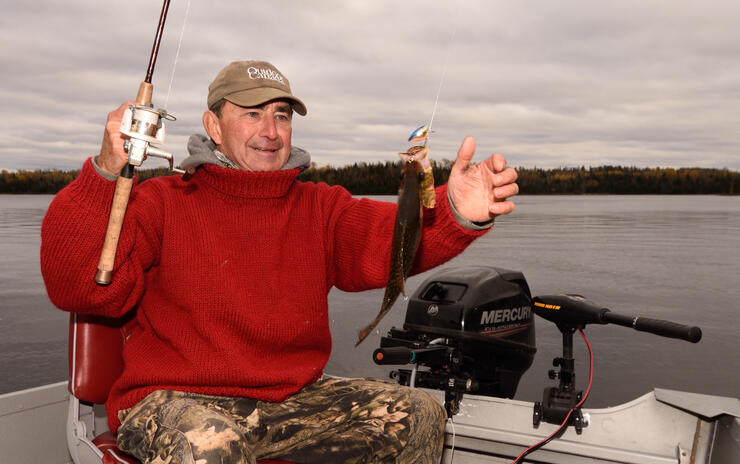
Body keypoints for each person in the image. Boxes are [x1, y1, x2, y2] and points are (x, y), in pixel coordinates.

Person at [41, 60, 519, 464]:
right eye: (251, 114)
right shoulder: (160, 201)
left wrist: (455, 212)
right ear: (213, 126)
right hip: (174, 399)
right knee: (209, 445)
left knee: (418, 413)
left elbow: (393, 241)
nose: (270, 132)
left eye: (282, 115)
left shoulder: (320, 206)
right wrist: (104, 173)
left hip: (291, 398)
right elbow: (81, 288)